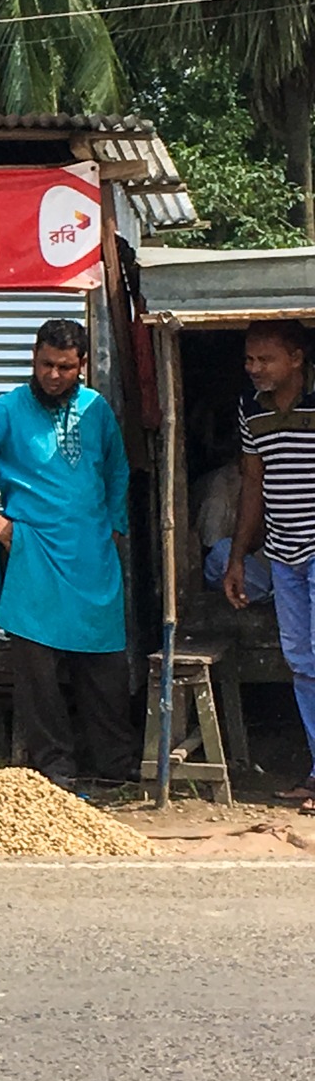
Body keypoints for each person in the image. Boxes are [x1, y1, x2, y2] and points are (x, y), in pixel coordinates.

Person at [0, 319, 133, 791]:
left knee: (104, 665)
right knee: (38, 674)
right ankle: (55, 770)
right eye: (47, 364)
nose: (54, 375)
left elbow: (117, 471)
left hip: (92, 556)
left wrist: (115, 527)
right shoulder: (7, 410)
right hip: (34, 556)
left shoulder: (97, 410)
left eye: (66, 367)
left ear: (82, 366)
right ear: (34, 357)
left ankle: (115, 766)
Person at [224, 320, 315, 810]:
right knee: (302, 664)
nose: (254, 369)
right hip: (283, 555)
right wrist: (237, 558)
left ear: (296, 359)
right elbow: (252, 485)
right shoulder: (249, 410)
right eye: (249, 360)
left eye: (265, 360)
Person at [197, 460, 270, 602]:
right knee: (223, 549)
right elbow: (212, 545)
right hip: (234, 569)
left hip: (271, 573)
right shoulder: (221, 489)